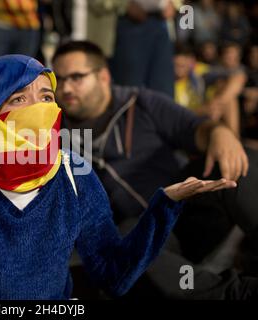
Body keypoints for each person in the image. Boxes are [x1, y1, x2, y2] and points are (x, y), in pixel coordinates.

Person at [0, 54, 234, 300]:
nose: (41, 109)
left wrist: (164, 208)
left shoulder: (73, 171)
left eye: (47, 97)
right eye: (19, 99)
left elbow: (113, 276)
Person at [52, 41, 258, 299]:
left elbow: (195, 128)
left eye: (76, 77)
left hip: (187, 211)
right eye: (58, 80)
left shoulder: (140, 102)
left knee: (236, 157)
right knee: (125, 248)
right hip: (142, 238)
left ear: (103, 76)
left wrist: (219, 133)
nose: (66, 88)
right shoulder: (53, 130)